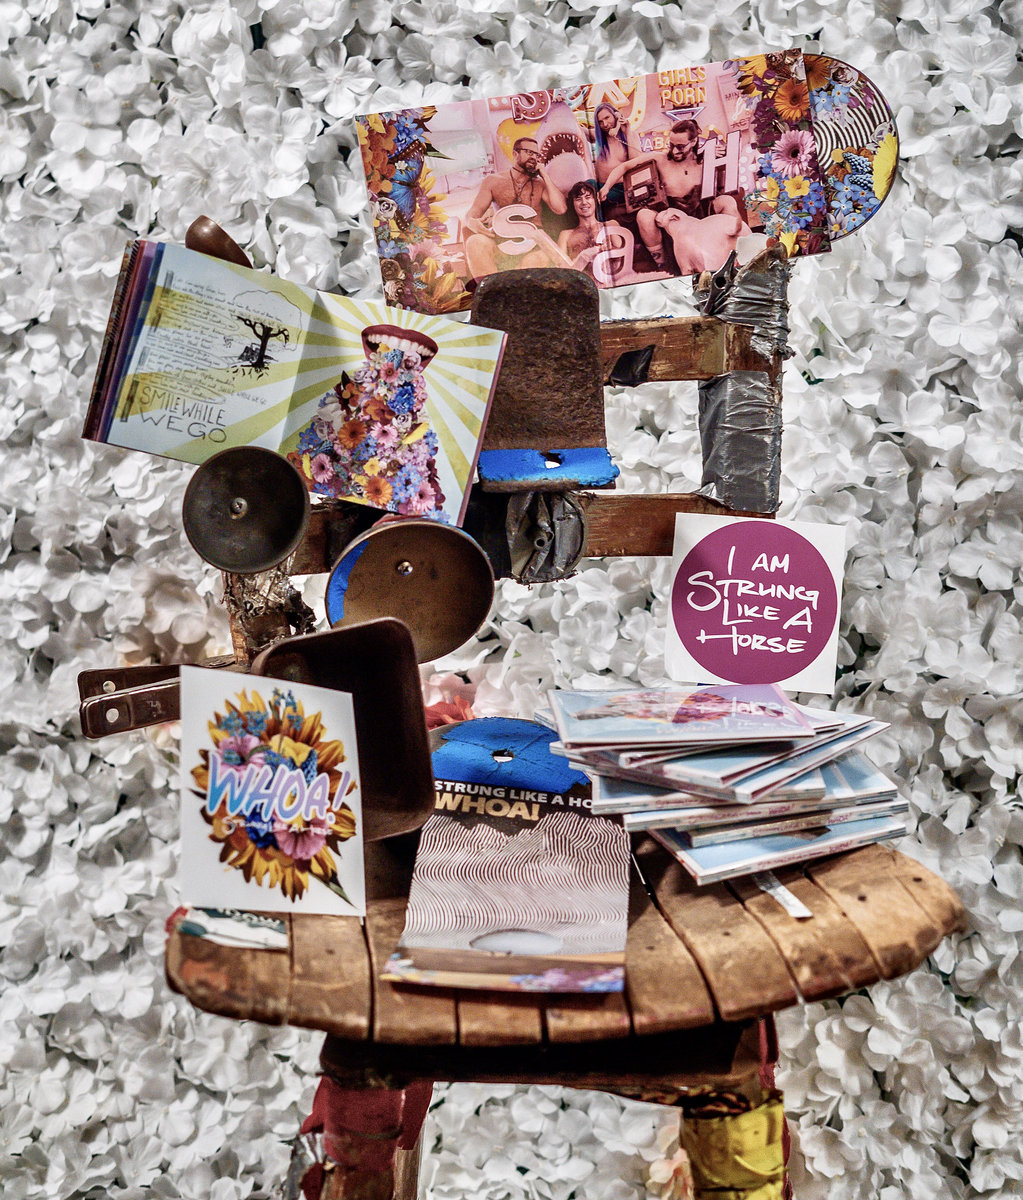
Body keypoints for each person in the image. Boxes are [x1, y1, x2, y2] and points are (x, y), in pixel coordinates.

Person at [597, 119, 753, 274]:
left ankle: (741, 251)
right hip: (671, 214)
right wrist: (606, 187)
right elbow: (625, 166)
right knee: (644, 216)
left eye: (680, 146)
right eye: (671, 145)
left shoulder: (706, 157)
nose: (674, 150)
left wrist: (718, 154)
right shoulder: (660, 158)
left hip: (702, 211)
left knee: (727, 201)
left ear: (693, 142)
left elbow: (728, 168)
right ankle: (663, 266)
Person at [463, 136, 569, 280]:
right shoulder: (493, 181)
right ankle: (492, 291)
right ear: (515, 153)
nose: (534, 158)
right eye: (529, 152)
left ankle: (508, 289)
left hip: (532, 246)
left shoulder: (540, 184)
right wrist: (471, 222)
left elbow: (560, 209)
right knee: (474, 242)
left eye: (537, 155)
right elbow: (473, 213)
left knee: (537, 259)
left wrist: (544, 175)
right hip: (500, 243)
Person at [557, 181, 629, 282]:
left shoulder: (610, 225)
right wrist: (588, 253)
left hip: (612, 281)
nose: (584, 202)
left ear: (596, 201)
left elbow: (624, 258)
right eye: (578, 199)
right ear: (573, 204)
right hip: (581, 284)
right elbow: (562, 270)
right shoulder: (566, 235)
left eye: (588, 197)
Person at [591, 102, 642, 218]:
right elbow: (578, 129)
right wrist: (560, 102)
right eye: (600, 122)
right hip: (602, 186)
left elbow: (635, 162)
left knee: (593, 192)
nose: (605, 124)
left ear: (616, 115)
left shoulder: (631, 135)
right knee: (586, 187)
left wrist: (627, 131)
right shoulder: (599, 137)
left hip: (621, 188)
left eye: (607, 118)